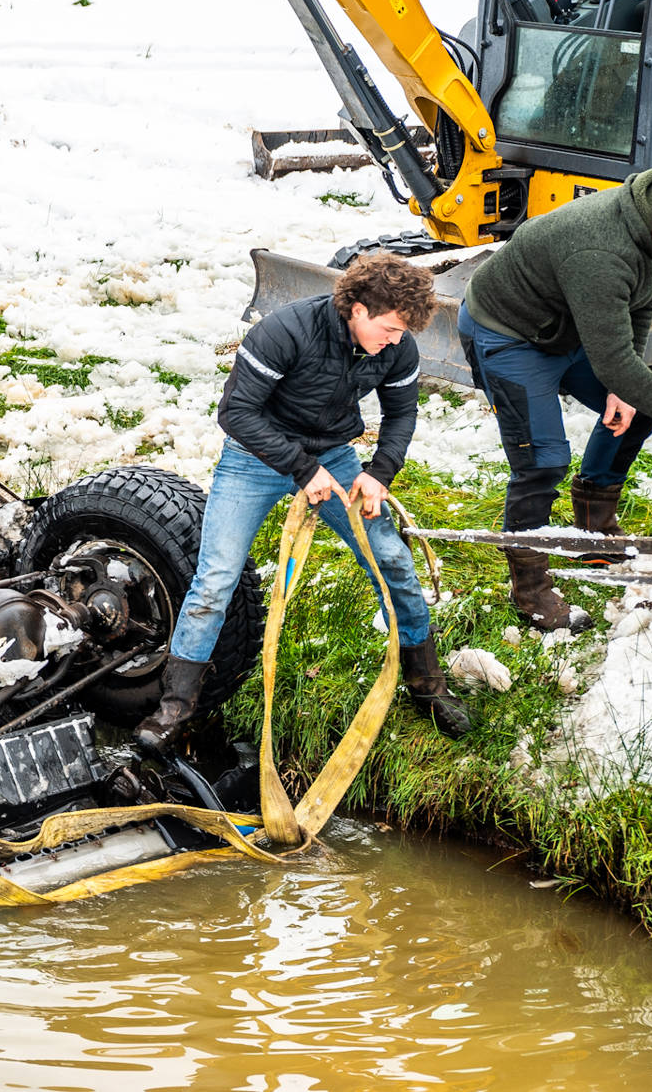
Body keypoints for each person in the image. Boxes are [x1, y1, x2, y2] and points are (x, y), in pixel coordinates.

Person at [135, 254, 471, 751]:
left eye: (403, 332)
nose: (396, 339)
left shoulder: (397, 346)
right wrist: (301, 469)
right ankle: (176, 707)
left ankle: (427, 686)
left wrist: (379, 474)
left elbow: (401, 415)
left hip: (332, 455)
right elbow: (236, 412)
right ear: (357, 308)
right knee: (217, 578)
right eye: (389, 327)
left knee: (393, 560)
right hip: (254, 455)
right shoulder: (285, 331)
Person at [458, 169, 652, 632]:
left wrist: (626, 387)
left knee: (638, 408)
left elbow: (640, 303)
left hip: (565, 326)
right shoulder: (600, 249)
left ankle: (593, 529)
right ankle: (532, 589)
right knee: (542, 462)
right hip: (510, 332)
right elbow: (614, 362)